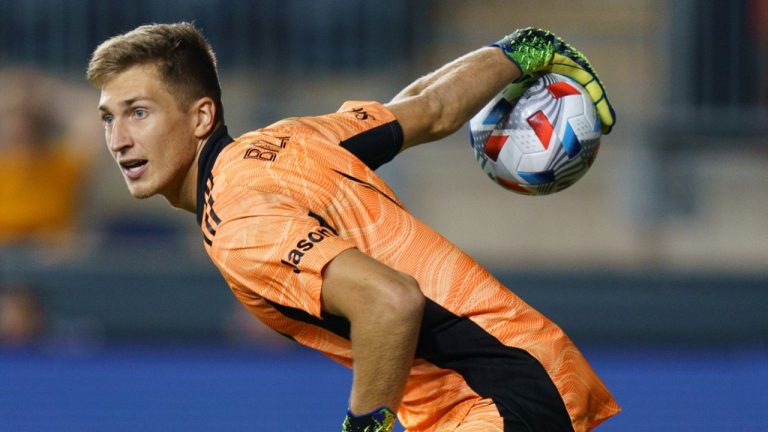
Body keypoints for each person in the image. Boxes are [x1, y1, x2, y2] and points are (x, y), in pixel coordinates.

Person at [87, 23, 619, 432]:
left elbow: (390, 301)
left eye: (138, 112)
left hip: (496, 397)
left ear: (202, 117)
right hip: (519, 374)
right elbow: (430, 108)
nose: (118, 139)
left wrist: (365, 425)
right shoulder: (287, 141)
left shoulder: (239, 223)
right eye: (109, 117)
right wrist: (517, 52)